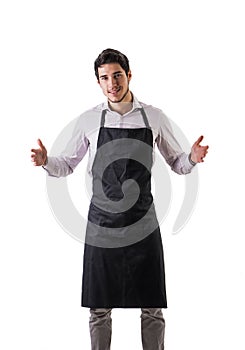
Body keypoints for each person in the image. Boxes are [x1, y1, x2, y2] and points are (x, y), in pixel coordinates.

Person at [31, 48, 208, 350]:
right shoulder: (89, 120)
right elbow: (67, 165)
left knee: (152, 305)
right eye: (104, 78)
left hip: (143, 222)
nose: (112, 83)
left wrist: (191, 157)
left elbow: (178, 163)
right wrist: (47, 160)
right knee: (99, 307)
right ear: (98, 83)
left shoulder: (154, 117)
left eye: (117, 75)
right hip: (102, 225)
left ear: (129, 75)